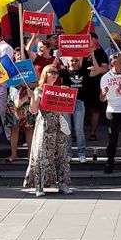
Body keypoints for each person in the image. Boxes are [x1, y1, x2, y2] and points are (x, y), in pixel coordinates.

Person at [24, 64, 73, 196]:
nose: (55, 75)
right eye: (52, 72)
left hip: (58, 125)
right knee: (42, 155)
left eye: (56, 73)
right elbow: (33, 111)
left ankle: (63, 184)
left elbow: (65, 108)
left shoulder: (59, 89)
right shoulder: (39, 90)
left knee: (61, 154)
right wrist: (33, 98)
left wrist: (66, 94)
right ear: (45, 74)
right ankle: (39, 186)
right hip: (44, 125)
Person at [61, 55, 90, 162]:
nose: (74, 62)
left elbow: (96, 71)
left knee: (79, 129)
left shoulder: (84, 71)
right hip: (66, 102)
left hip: (78, 102)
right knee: (67, 129)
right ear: (67, 61)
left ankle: (81, 154)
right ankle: (68, 153)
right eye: (71, 60)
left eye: (76, 60)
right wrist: (62, 87)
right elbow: (51, 75)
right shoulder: (63, 72)